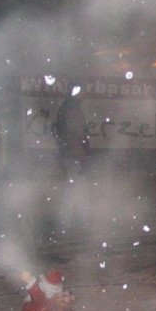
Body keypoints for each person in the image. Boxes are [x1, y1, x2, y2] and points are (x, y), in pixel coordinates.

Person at [53, 85, 90, 235]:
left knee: (78, 190)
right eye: (83, 91)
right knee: (74, 191)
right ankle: (67, 224)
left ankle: (80, 222)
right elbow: (75, 135)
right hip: (74, 156)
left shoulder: (67, 108)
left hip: (70, 155)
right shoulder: (73, 110)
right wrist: (80, 155)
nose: (85, 95)